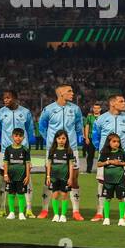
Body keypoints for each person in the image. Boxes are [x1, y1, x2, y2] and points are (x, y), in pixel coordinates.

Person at [37, 85, 85, 221]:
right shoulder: (49, 109)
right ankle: (45, 210)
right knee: (49, 179)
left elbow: (78, 127)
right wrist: (51, 142)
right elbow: (42, 126)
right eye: (69, 91)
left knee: (74, 179)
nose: (72, 93)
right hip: (53, 150)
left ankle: (76, 211)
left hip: (72, 148)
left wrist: (73, 142)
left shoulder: (75, 109)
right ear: (61, 93)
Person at [90, 95, 125, 223]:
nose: (124, 103)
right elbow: (95, 137)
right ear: (112, 103)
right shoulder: (101, 119)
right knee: (101, 183)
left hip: (123, 157)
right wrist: (103, 151)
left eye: (124, 100)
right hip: (105, 157)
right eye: (121, 101)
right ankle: (100, 212)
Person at [0, 90, 35, 218]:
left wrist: (27, 146)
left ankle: (28, 209)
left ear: (15, 98)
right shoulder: (0, 113)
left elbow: (29, 130)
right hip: (6, 150)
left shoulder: (25, 112)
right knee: (4, 178)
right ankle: (2, 208)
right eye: (4, 98)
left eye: (8, 98)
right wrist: (4, 145)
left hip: (23, 150)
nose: (5, 100)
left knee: (26, 178)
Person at [97, 133, 125, 226]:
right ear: (109, 142)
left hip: (120, 180)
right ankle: (106, 218)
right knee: (107, 199)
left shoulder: (121, 152)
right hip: (108, 181)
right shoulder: (104, 153)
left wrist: (120, 163)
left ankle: (121, 219)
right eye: (114, 141)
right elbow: (98, 164)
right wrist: (109, 162)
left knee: (121, 199)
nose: (116, 143)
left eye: (118, 142)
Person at [45, 129, 76, 223]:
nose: (61, 140)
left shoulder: (69, 151)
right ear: (56, 139)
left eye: (63, 138)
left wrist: (70, 178)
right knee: (54, 195)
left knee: (64, 195)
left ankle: (63, 215)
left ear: (66, 139)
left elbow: (71, 165)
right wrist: (48, 176)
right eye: (59, 138)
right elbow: (49, 164)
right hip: (54, 177)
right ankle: (56, 215)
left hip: (65, 177)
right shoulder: (52, 150)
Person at [1, 128, 31, 220]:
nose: (18, 138)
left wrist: (27, 176)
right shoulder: (8, 149)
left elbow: (27, 164)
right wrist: (5, 174)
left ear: (23, 137)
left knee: (21, 194)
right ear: (12, 137)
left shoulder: (25, 149)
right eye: (16, 136)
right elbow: (6, 163)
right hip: (10, 176)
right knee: (11, 194)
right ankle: (12, 213)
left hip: (21, 177)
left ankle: (21, 213)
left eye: (20, 136)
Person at [83, 102, 101, 172]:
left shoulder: (103, 117)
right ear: (93, 109)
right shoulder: (89, 117)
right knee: (90, 155)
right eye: (95, 108)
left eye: (97, 108)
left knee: (102, 154)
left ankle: (101, 170)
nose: (96, 110)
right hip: (91, 138)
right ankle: (88, 169)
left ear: (100, 109)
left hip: (100, 138)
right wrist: (86, 137)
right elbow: (87, 127)